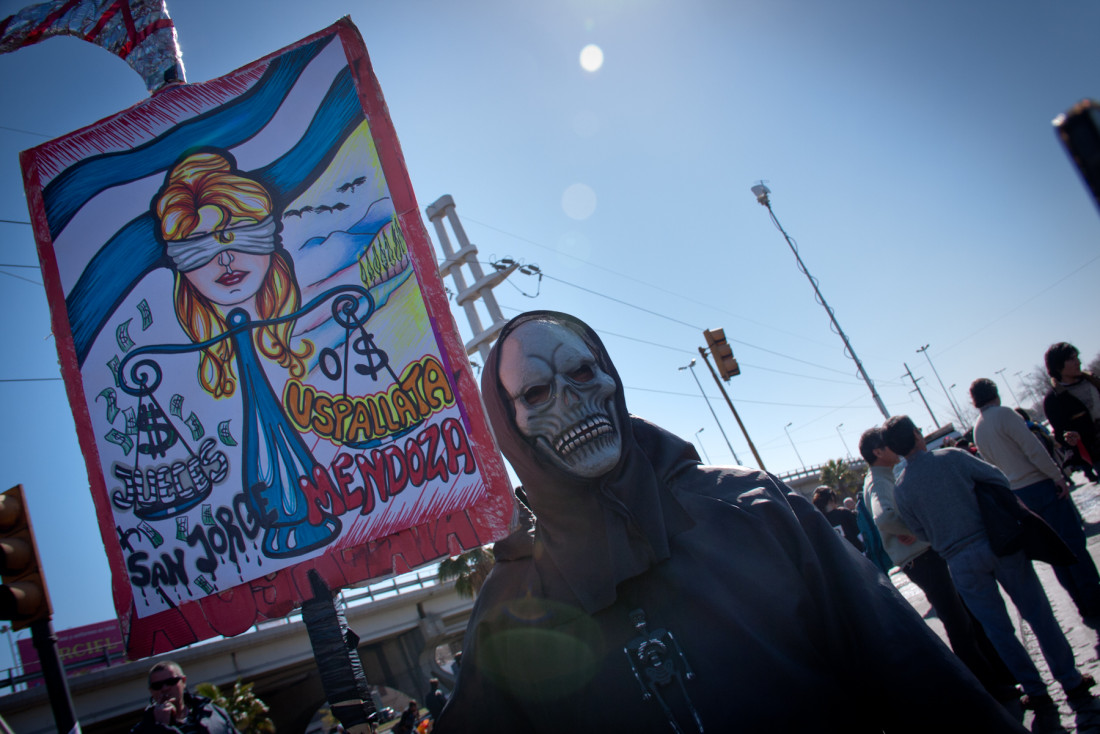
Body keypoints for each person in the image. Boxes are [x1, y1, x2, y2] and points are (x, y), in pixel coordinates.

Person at [433, 311, 1025, 733]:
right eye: (537, 392)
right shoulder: (509, 610)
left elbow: (907, 664)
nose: (568, 398)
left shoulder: (753, 509)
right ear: (511, 426)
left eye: (582, 374)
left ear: (611, 381)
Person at [885, 415, 1095, 712]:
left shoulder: (901, 489)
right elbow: (999, 479)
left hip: (959, 561)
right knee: (1037, 613)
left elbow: (919, 532)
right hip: (998, 544)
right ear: (918, 435)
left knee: (998, 630)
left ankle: (1035, 690)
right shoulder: (953, 458)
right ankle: (1070, 680)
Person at [858, 426, 1018, 703]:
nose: (895, 447)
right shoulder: (878, 480)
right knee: (960, 624)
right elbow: (884, 518)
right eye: (888, 444)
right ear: (878, 452)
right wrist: (916, 528)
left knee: (964, 619)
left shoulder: (881, 476)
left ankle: (999, 679)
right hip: (922, 558)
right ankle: (989, 690)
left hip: (922, 558)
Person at [154, 150, 313, 399]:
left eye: (241, 234)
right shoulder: (167, 373)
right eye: (198, 246)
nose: (225, 259)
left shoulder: (317, 317)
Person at [971, 377, 1100, 619]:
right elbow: (1033, 448)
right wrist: (1056, 475)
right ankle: (1094, 597)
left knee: (1055, 552)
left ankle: (1082, 604)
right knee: (1074, 544)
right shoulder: (1006, 414)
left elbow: (992, 467)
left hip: (1019, 495)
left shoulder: (979, 429)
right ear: (995, 393)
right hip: (1041, 484)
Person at [131, 660, 239, 733]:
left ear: (183, 681)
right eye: (157, 686)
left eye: (171, 682)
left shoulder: (213, 713)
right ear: (151, 691)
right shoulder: (142, 730)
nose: (164, 688)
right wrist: (160, 727)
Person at [1043, 342, 1100, 481]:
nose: (1078, 362)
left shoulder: (1093, 380)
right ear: (1058, 366)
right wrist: (1070, 438)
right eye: (1071, 359)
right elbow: (1060, 433)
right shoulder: (1054, 399)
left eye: (1077, 357)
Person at [811, 486, 865, 551]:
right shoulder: (843, 513)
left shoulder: (818, 522)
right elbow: (860, 535)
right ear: (832, 498)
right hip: (857, 554)